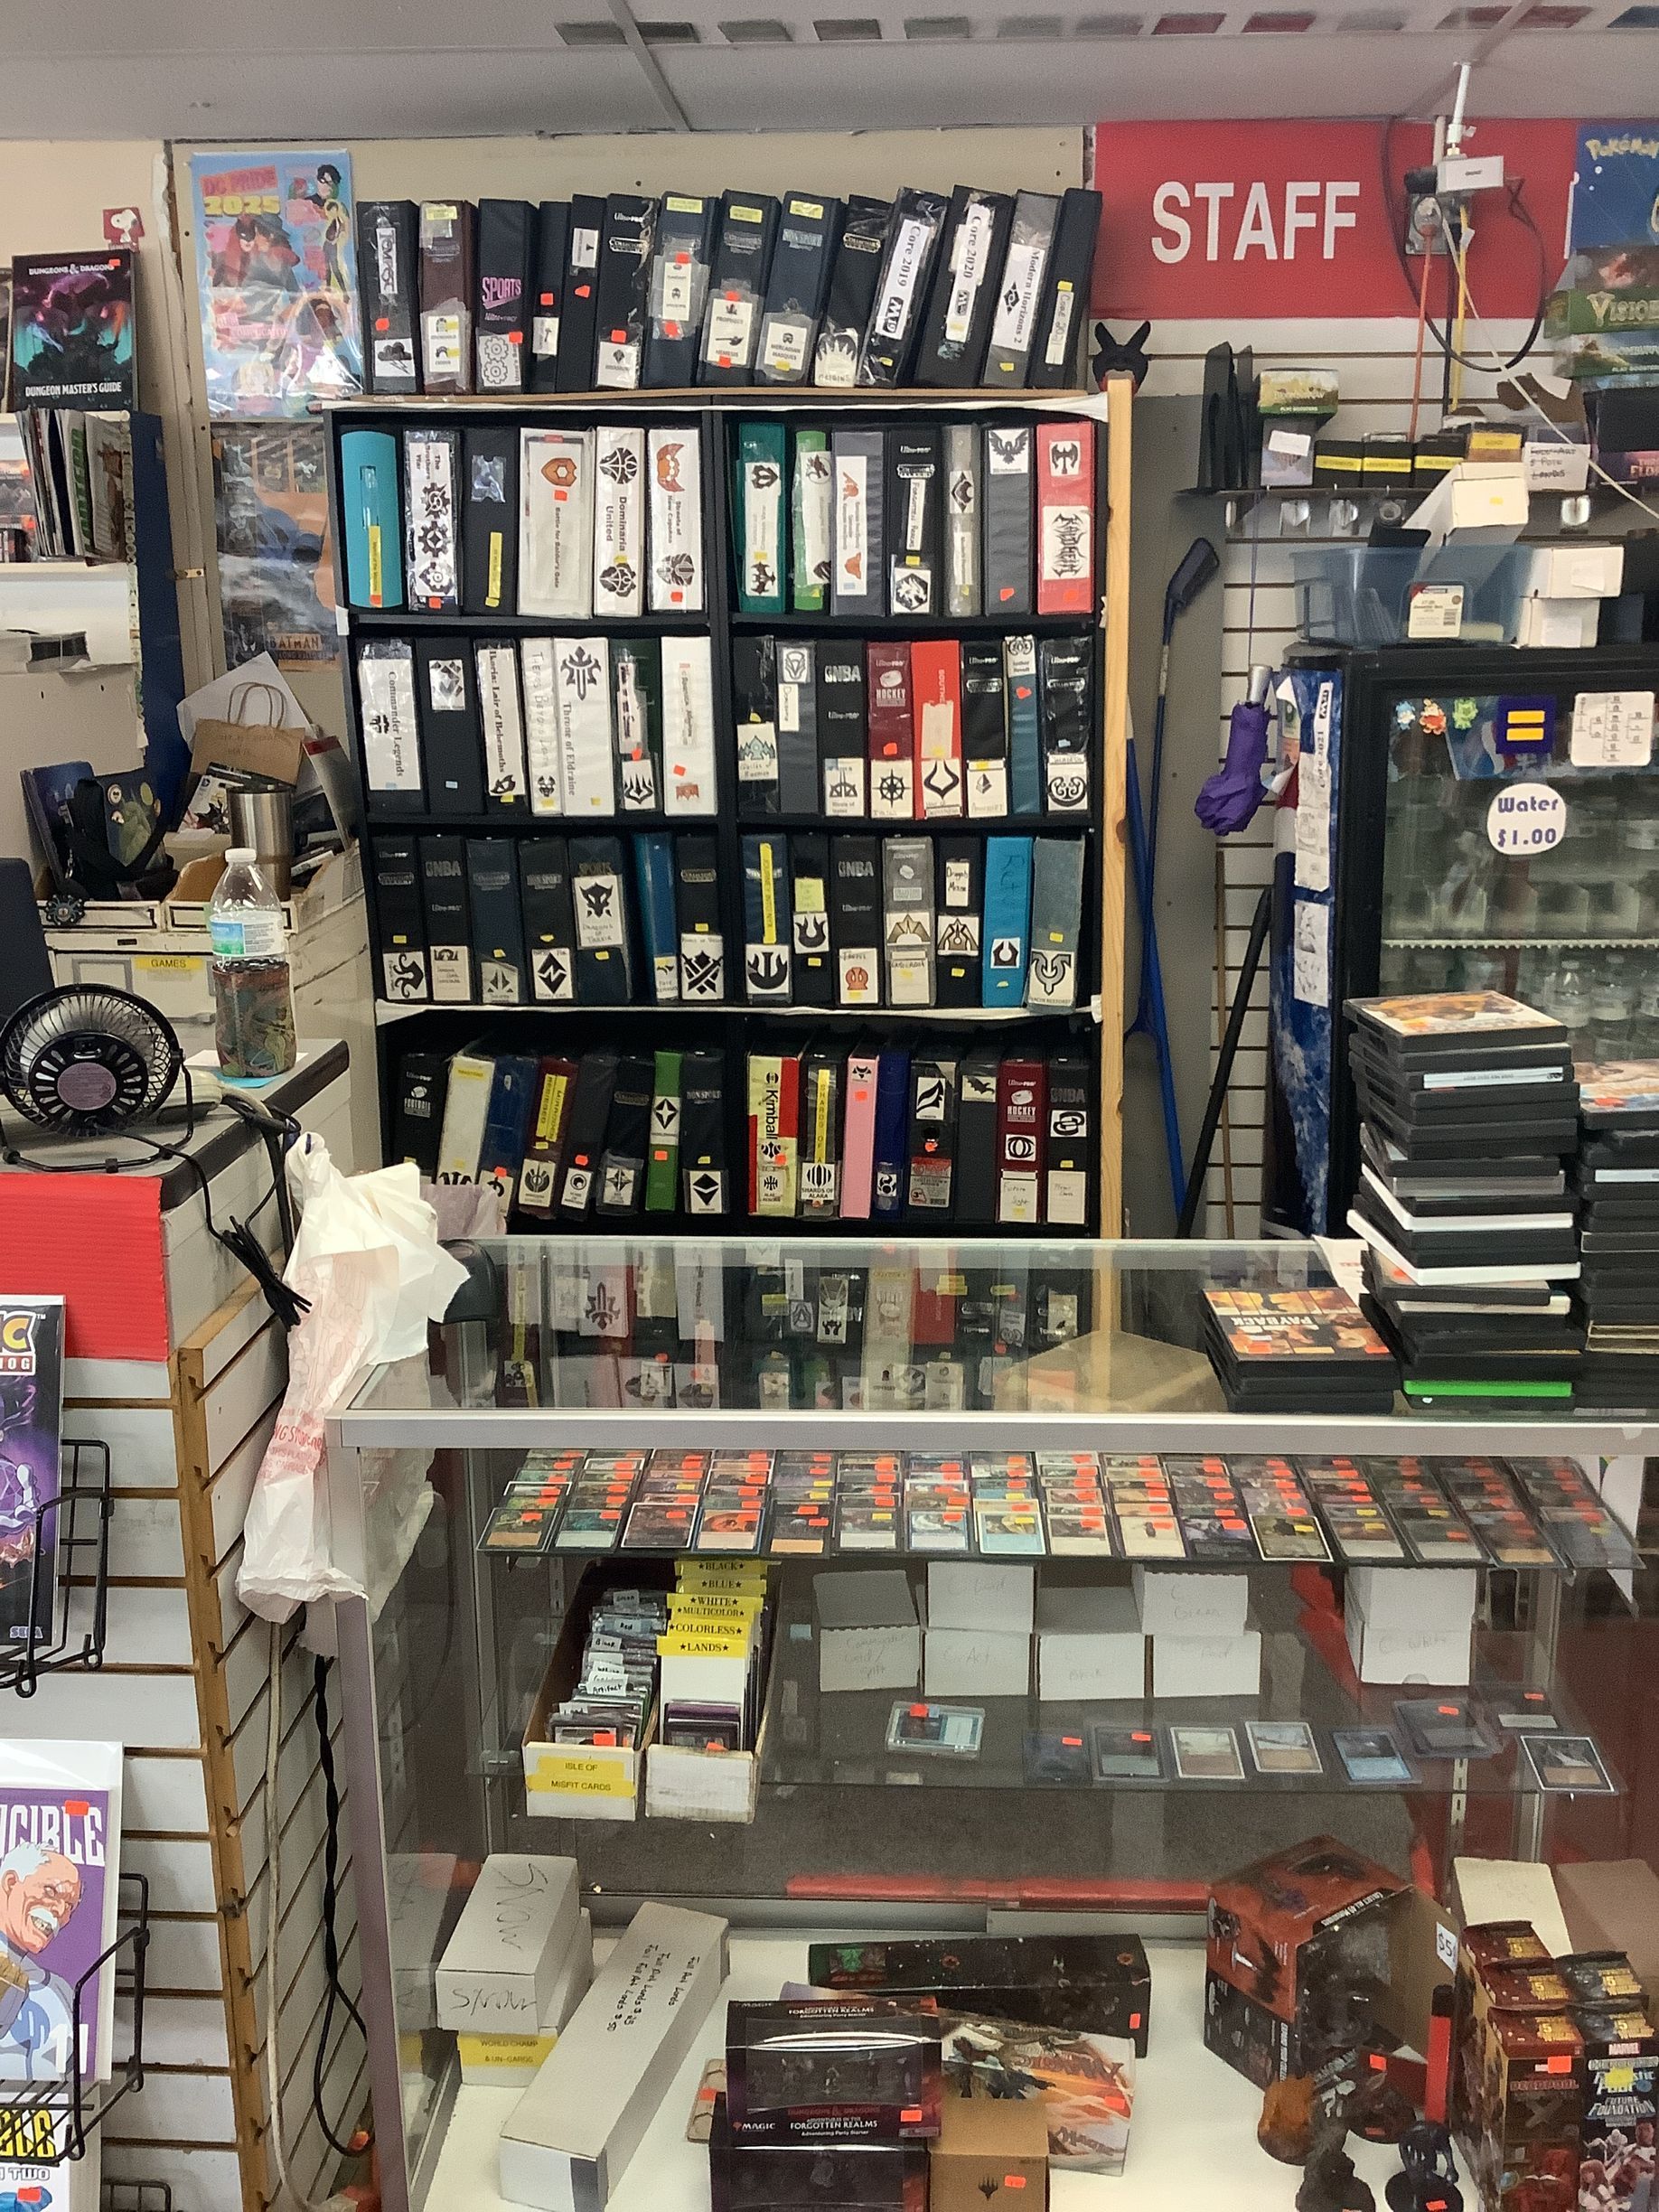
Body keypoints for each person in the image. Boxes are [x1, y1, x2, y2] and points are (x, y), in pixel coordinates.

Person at [0, 1844, 83, 2081]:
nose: (60, 1911)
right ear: (11, 1883)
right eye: (51, 1891)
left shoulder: (59, 1992)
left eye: (70, 1906)